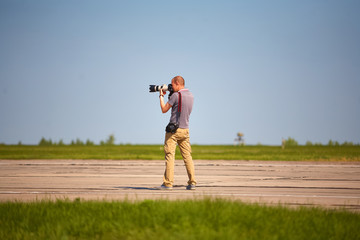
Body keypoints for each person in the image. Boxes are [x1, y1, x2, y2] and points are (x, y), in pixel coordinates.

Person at [159, 76, 196, 190]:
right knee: (187, 157)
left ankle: (168, 183)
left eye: (172, 85)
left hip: (174, 131)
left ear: (177, 83)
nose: (171, 87)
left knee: (170, 156)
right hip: (185, 130)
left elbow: (164, 109)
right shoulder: (191, 95)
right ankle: (192, 182)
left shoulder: (175, 95)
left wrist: (161, 96)